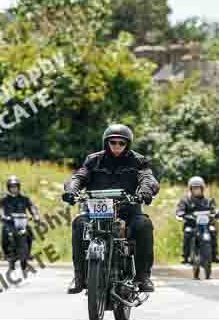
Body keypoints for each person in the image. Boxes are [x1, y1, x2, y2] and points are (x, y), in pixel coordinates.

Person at [62, 124, 159, 294]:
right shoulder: (93, 160)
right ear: (106, 143)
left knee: (144, 224)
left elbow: (147, 178)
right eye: (113, 142)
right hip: (96, 211)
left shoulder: (138, 160)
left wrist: (145, 190)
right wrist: (72, 189)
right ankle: (79, 277)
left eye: (121, 143)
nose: (117, 146)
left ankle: (143, 276)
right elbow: (79, 176)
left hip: (128, 211)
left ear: (127, 144)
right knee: (79, 222)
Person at [175, 176, 219, 264]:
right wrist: (180, 213)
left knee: (213, 230)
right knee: (187, 232)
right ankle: (185, 256)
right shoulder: (185, 201)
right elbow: (180, 210)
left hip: (206, 225)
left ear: (202, 188)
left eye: (198, 188)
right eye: (194, 188)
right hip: (191, 225)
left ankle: (215, 255)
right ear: (190, 189)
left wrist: (217, 212)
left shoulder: (208, 200)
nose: (196, 190)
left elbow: (214, 209)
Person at [0, 176, 40, 271]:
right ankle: (7, 255)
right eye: (12, 186)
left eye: (15, 186)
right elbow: (0, 210)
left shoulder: (24, 198)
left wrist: (36, 216)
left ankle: (28, 254)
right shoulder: (4, 199)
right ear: (8, 187)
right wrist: (3, 217)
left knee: (29, 233)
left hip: (22, 221)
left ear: (19, 187)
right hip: (10, 222)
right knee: (5, 233)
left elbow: (32, 207)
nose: (14, 188)